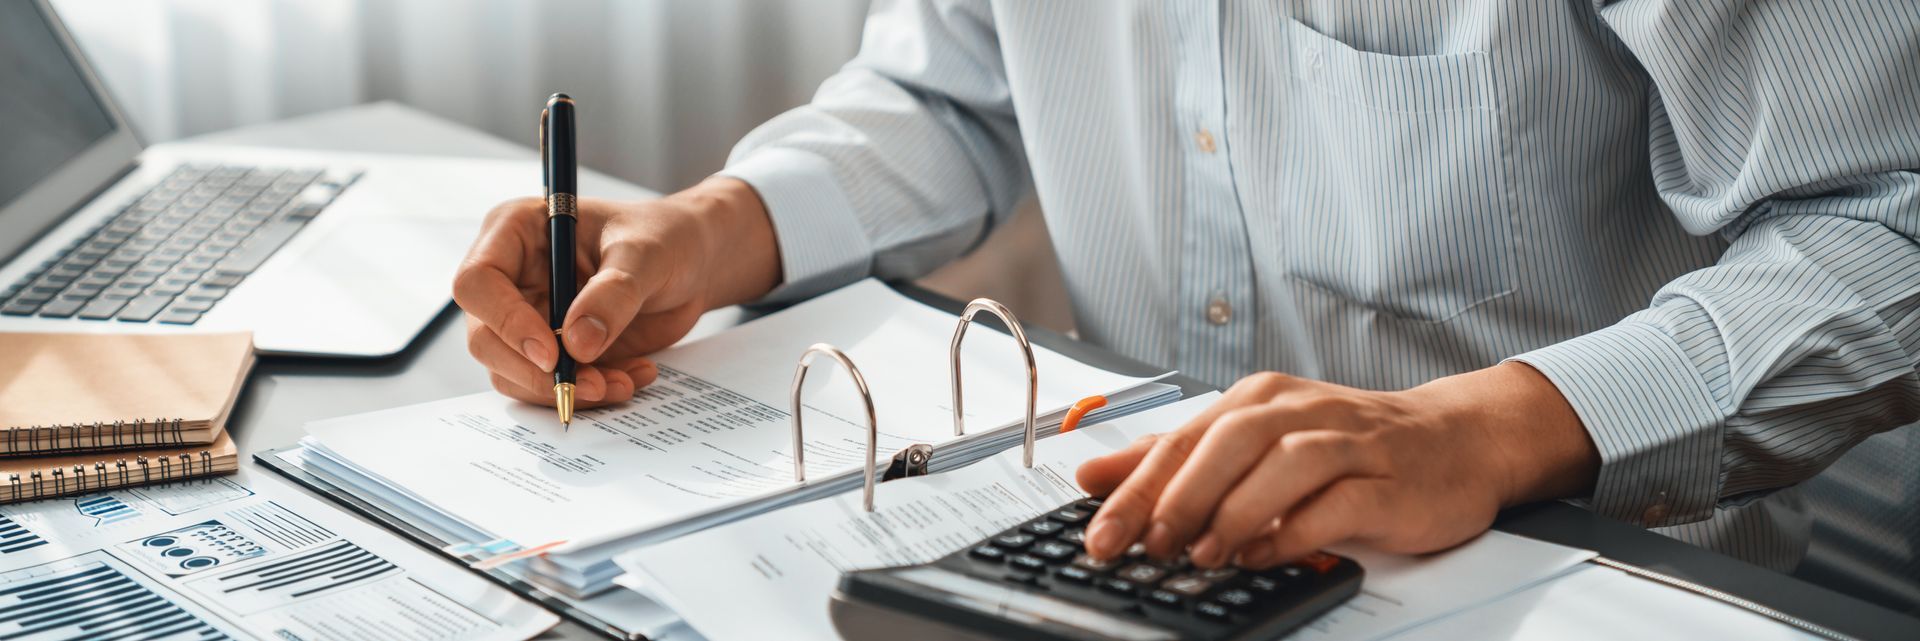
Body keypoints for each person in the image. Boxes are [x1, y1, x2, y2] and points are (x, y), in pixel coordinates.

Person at [454, 1, 1920, 576]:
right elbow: (955, 86)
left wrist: (1486, 430)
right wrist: (716, 227)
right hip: (1126, 551)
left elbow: (1884, 220)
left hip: (1576, 573)